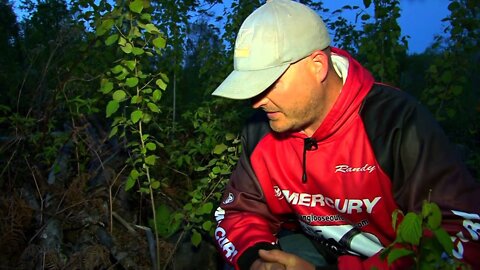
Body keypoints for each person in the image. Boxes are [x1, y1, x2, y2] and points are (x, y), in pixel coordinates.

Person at [211, 0, 480, 269]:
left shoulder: (395, 123)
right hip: (310, 248)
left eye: (268, 84)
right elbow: (239, 213)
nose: (256, 102)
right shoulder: (261, 130)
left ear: (317, 66)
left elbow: (458, 231)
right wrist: (259, 261)